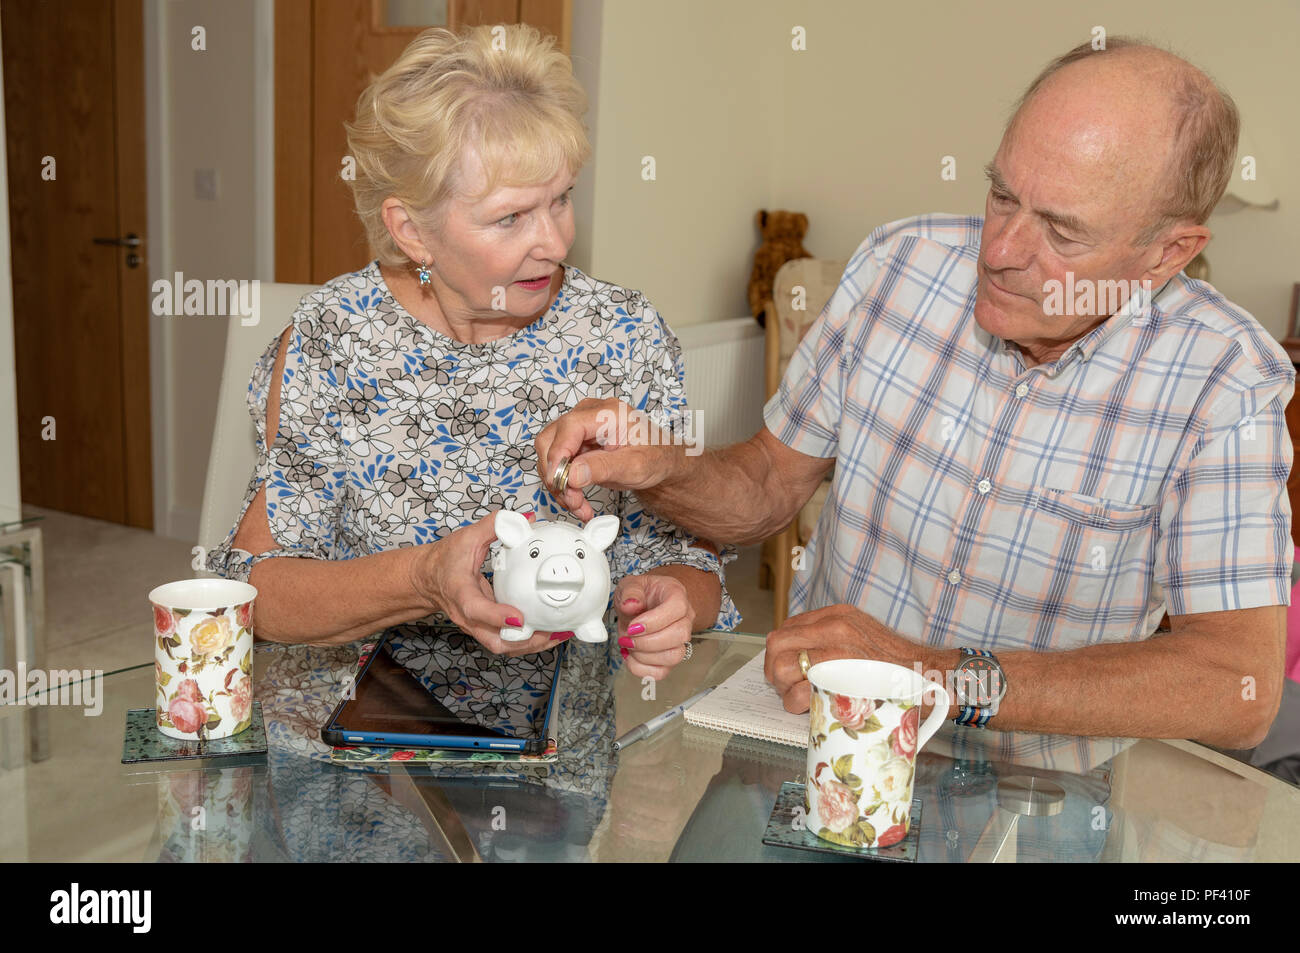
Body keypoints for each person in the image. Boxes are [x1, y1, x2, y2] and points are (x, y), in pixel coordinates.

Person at [537, 38, 1292, 772]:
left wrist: (933, 676)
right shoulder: (899, 265)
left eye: (1061, 230)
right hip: (812, 744)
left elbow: (1236, 684)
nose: (999, 251)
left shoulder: (1225, 378)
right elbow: (768, 481)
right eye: (1001, 195)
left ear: (1168, 253)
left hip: (1036, 798)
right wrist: (662, 466)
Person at [206, 22, 738, 745]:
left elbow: (689, 561)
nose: (552, 241)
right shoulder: (335, 337)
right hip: (358, 745)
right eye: (511, 216)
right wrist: (423, 576)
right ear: (412, 231)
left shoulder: (622, 332)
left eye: (559, 200)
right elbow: (258, 591)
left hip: (560, 744)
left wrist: (678, 601)